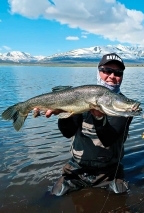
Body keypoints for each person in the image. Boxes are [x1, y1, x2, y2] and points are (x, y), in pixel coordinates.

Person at [39, 53, 133, 196]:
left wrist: (99, 118)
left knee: (121, 198)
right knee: (53, 196)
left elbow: (108, 139)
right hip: (76, 168)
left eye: (118, 73)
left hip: (109, 171)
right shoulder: (82, 97)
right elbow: (67, 132)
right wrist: (63, 113)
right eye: (107, 71)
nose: (112, 76)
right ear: (98, 72)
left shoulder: (124, 105)